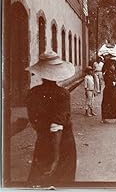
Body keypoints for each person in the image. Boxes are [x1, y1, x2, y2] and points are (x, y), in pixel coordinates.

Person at [25, 50, 76, 185]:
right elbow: (57, 127)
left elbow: (33, 120)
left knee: (39, 179)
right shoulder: (62, 94)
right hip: (62, 144)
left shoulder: (32, 93)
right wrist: (55, 157)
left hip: (42, 141)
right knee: (62, 180)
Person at [101, 58, 116, 123]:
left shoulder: (111, 73)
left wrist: (115, 83)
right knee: (107, 104)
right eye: (112, 65)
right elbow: (108, 83)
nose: (114, 67)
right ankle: (104, 119)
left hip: (113, 90)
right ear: (109, 66)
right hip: (109, 91)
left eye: (114, 65)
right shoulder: (107, 73)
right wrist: (115, 83)